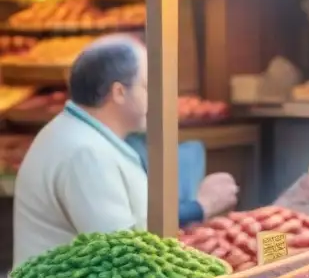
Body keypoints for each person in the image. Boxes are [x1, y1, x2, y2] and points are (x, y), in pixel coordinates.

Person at [13, 37, 238, 265]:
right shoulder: (87, 153)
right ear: (119, 92)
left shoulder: (80, 136)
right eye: (146, 86)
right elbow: (120, 253)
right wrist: (200, 207)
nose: (154, 98)